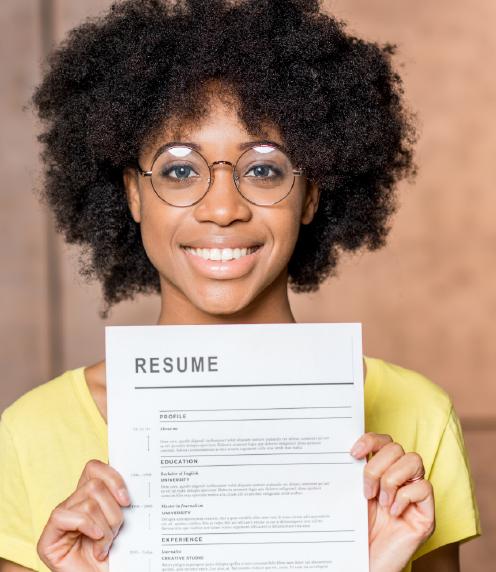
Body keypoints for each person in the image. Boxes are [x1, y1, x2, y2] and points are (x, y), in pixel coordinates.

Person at [0, 1, 480, 571]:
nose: (223, 208)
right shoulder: (32, 432)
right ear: (133, 194)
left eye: (263, 169)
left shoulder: (417, 414)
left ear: (312, 196)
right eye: (180, 170)